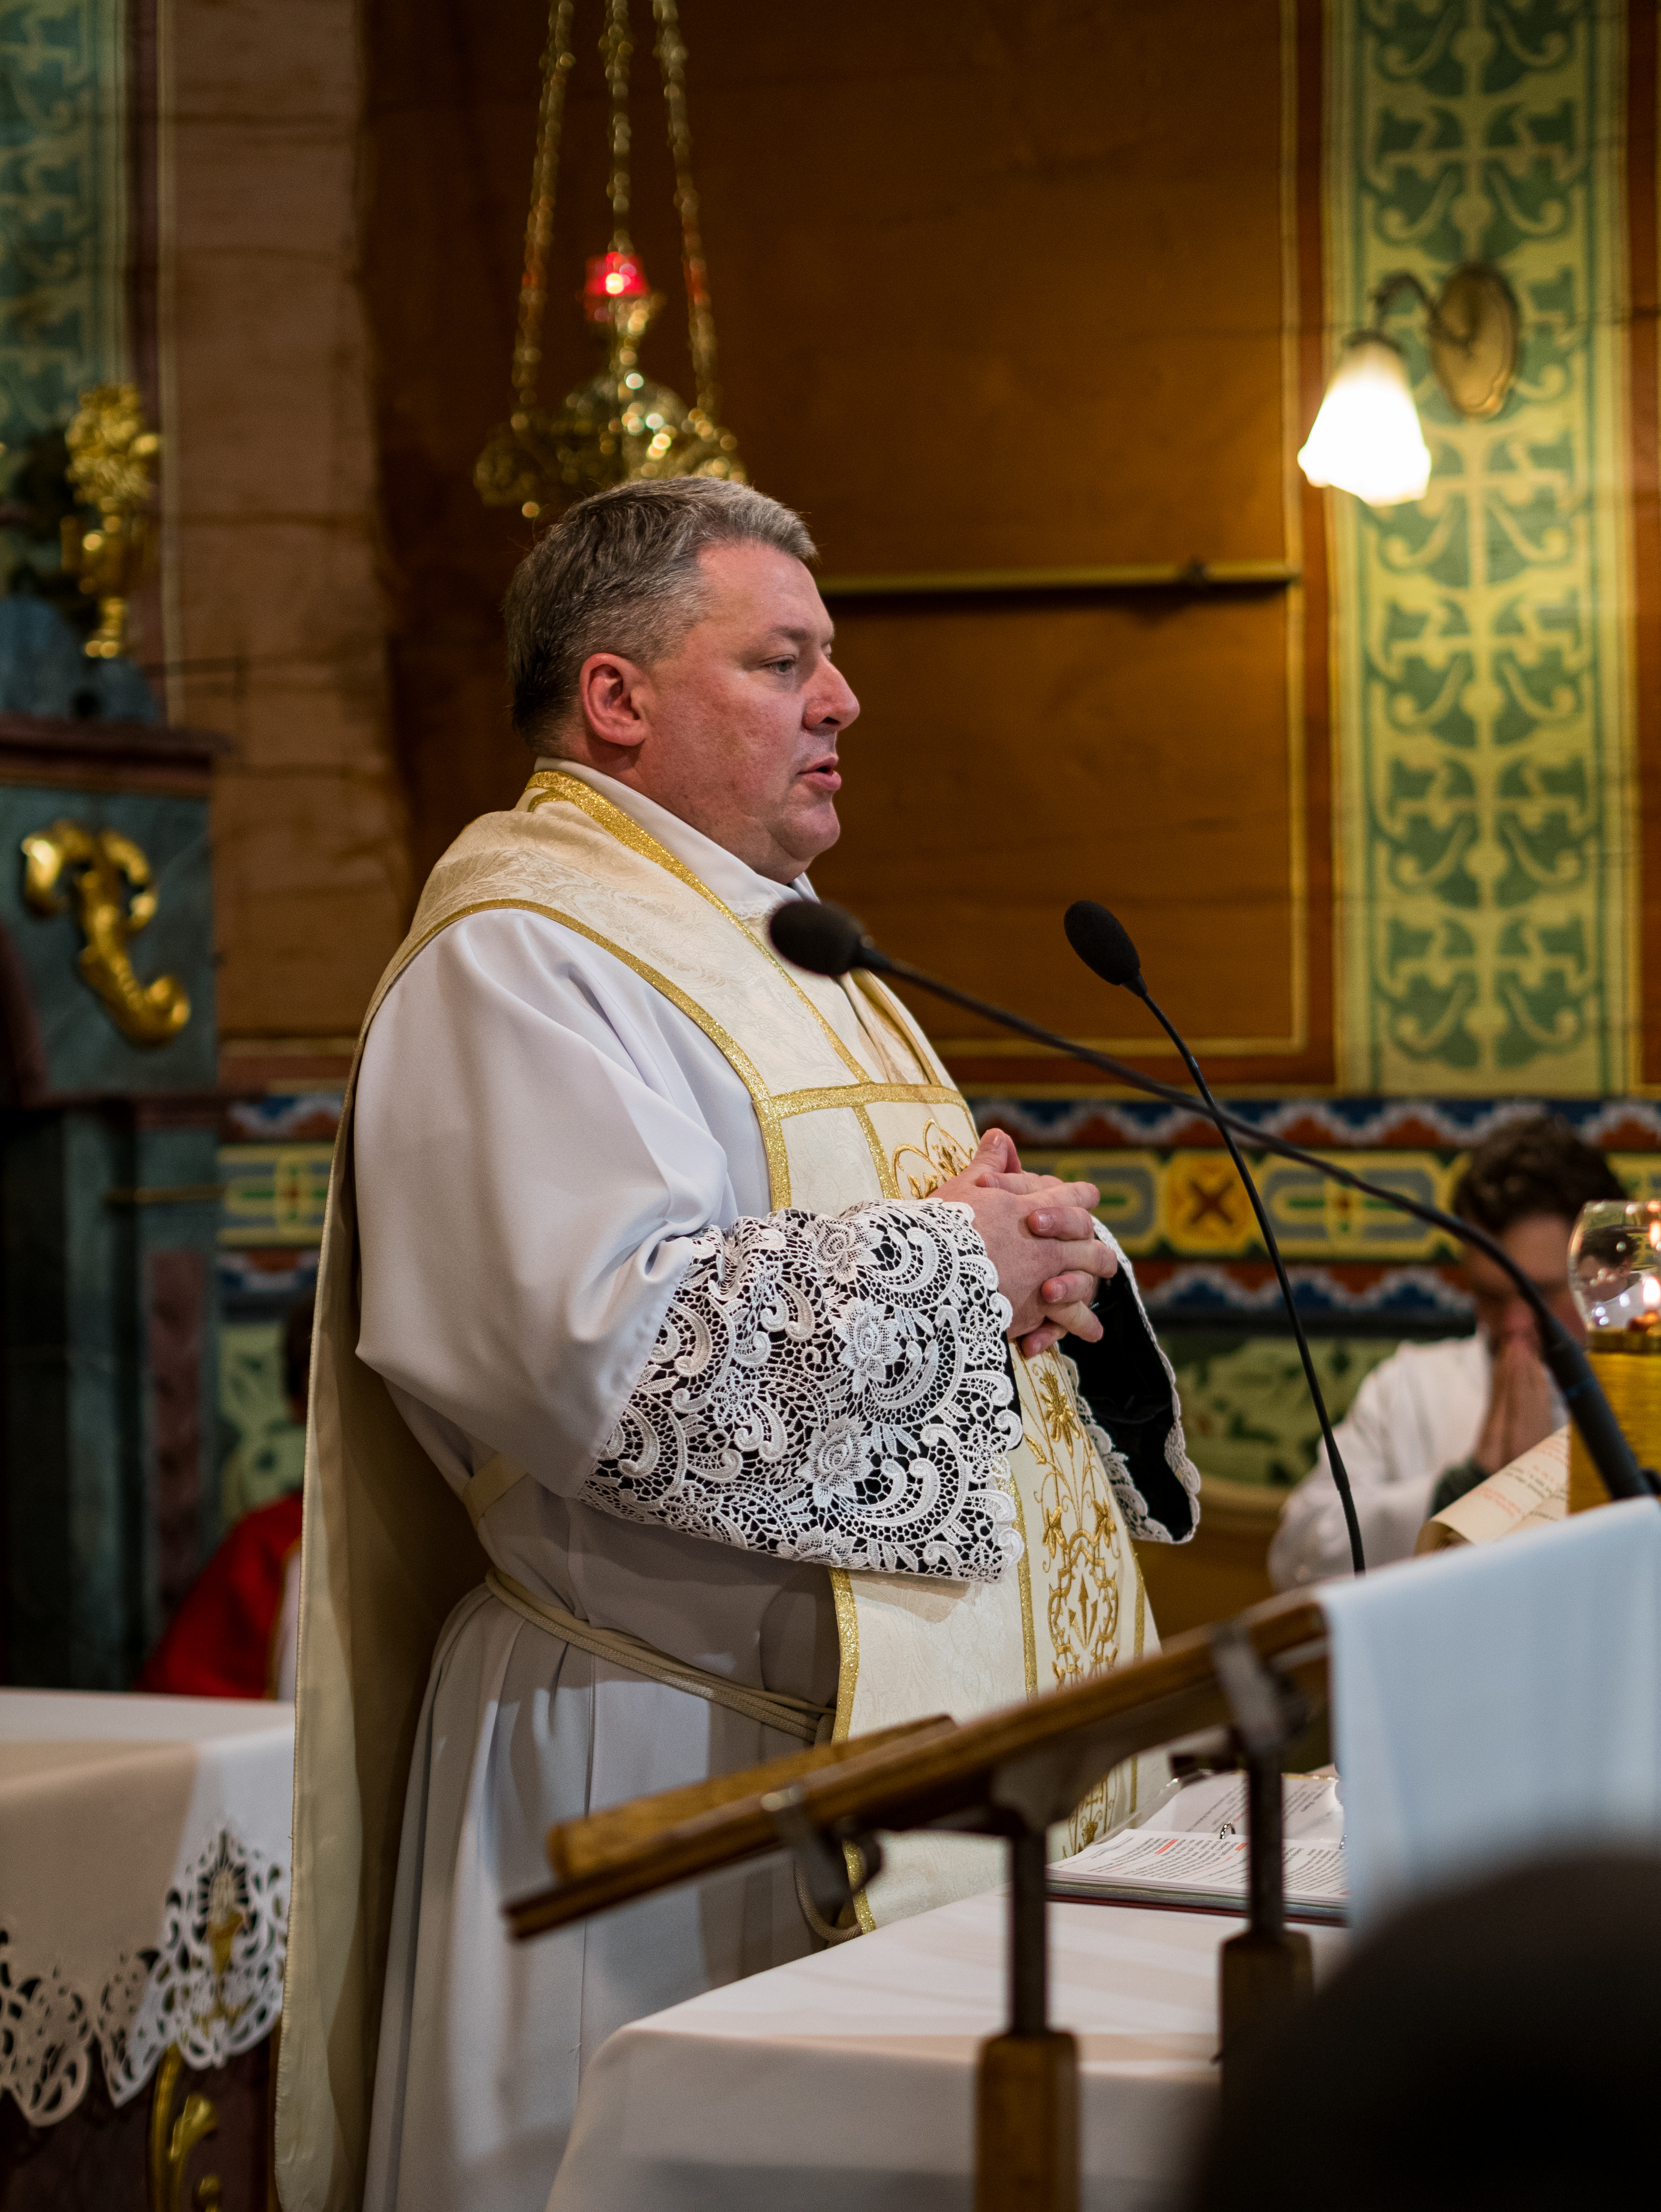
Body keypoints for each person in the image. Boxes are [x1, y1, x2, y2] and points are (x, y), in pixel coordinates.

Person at [276, 480, 1199, 2212]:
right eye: (782, 662)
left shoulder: (789, 945)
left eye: (825, 660)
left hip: (842, 1752)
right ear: (616, 696)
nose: (840, 699)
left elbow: (838, 1251)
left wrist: (1011, 1251)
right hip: (650, 1757)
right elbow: (598, 1351)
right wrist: (951, 1267)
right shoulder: (523, 953)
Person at [1269, 1116, 1625, 1588]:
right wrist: (1467, 1487)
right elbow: (1296, 1557)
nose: (1515, 1325)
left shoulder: (1646, 1397)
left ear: (1603, 1276)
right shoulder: (1407, 1388)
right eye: (1490, 1296)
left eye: (1540, 1296)